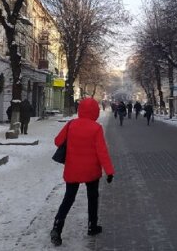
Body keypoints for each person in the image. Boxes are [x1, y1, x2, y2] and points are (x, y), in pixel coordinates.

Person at [51, 97, 115, 246]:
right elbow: (102, 152)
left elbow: (57, 141)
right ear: (94, 112)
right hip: (91, 171)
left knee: (68, 199)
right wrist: (109, 171)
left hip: (72, 169)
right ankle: (92, 226)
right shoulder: (96, 128)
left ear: (80, 110)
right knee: (92, 198)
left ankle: (57, 228)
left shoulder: (71, 124)